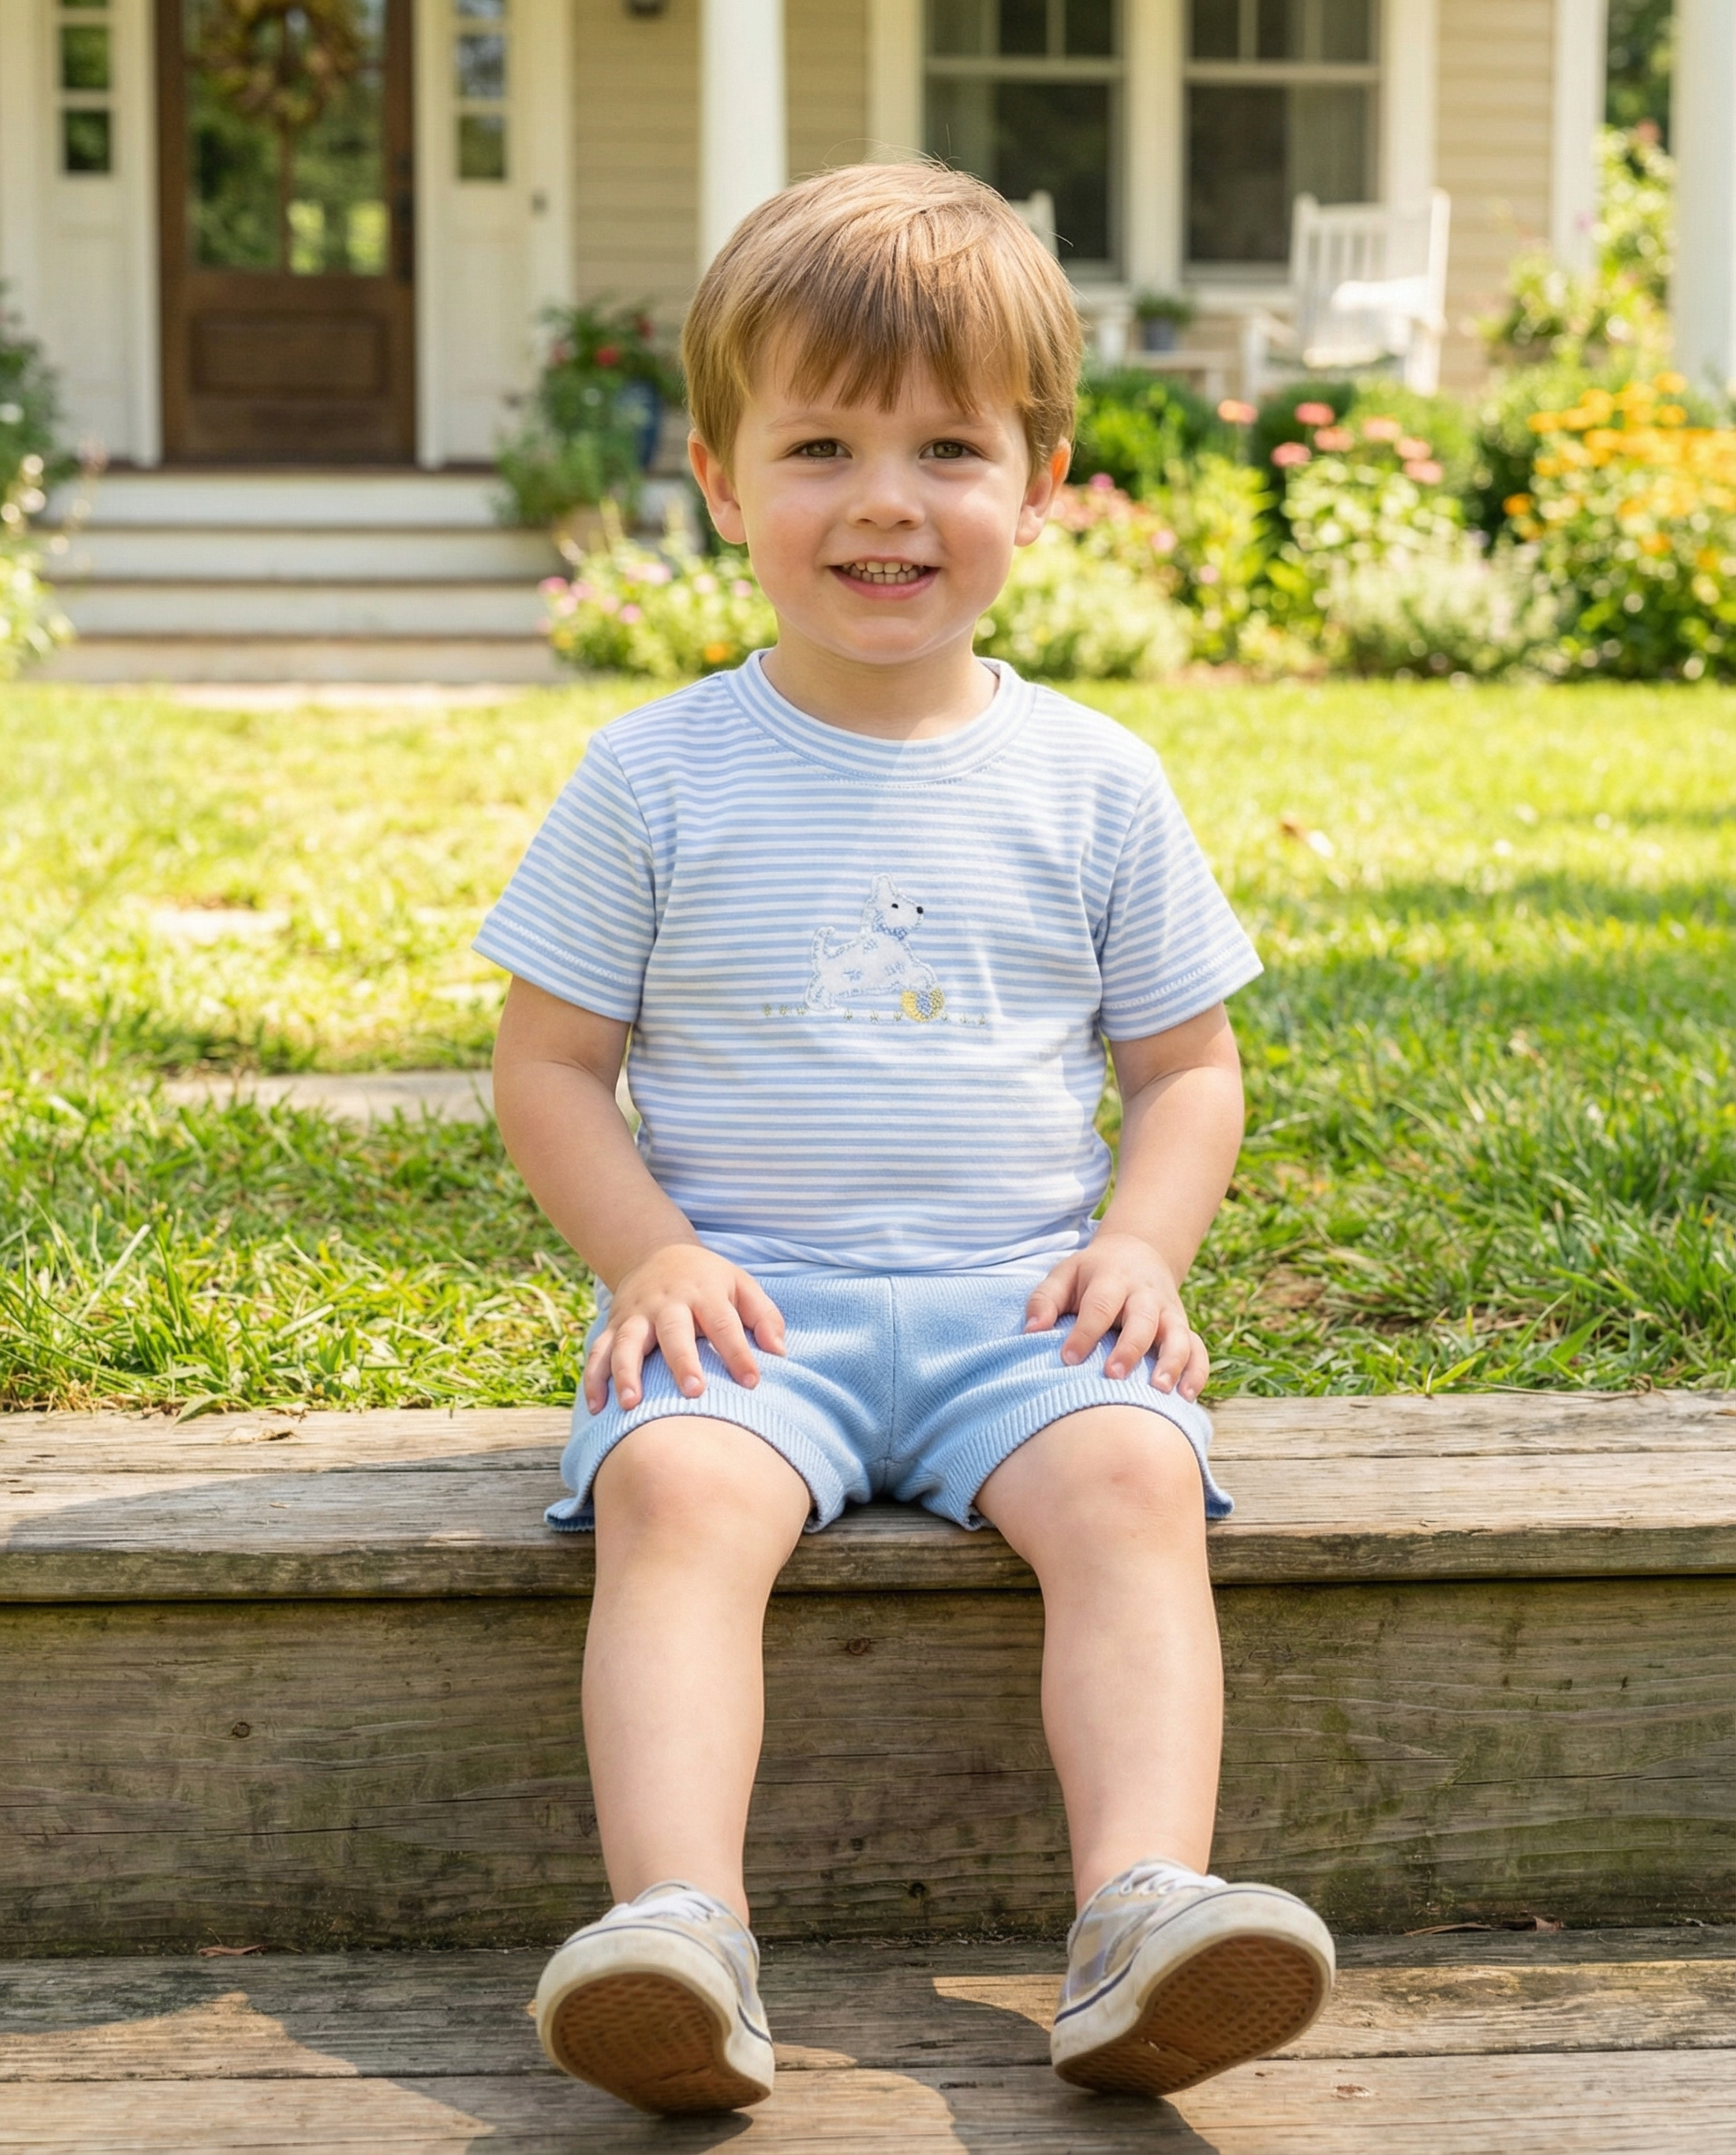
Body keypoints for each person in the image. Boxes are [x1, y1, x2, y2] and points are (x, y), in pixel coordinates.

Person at [477, 161, 1334, 2118]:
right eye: (821, 448)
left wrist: (1142, 1250)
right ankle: (680, 1934)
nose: (886, 499)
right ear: (718, 481)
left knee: (1130, 1477)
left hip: (1019, 1311)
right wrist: (651, 1258)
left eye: (949, 447)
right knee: (676, 1497)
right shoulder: (655, 776)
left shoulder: (1094, 782)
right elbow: (548, 1066)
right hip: (745, 1319)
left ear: (1041, 484)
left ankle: (1140, 1913)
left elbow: (1186, 1069)